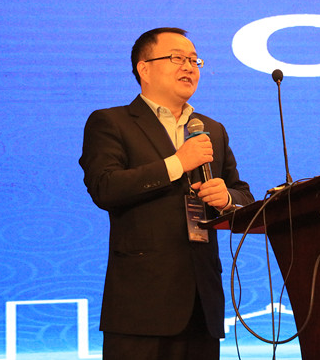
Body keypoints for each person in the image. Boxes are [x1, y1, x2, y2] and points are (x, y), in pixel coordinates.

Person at [79, 27, 255, 360]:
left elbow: (244, 196)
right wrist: (176, 164)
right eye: (177, 58)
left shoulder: (211, 129)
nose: (189, 67)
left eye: (194, 60)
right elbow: (105, 187)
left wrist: (227, 199)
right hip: (141, 306)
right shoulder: (111, 122)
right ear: (144, 69)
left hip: (203, 304)